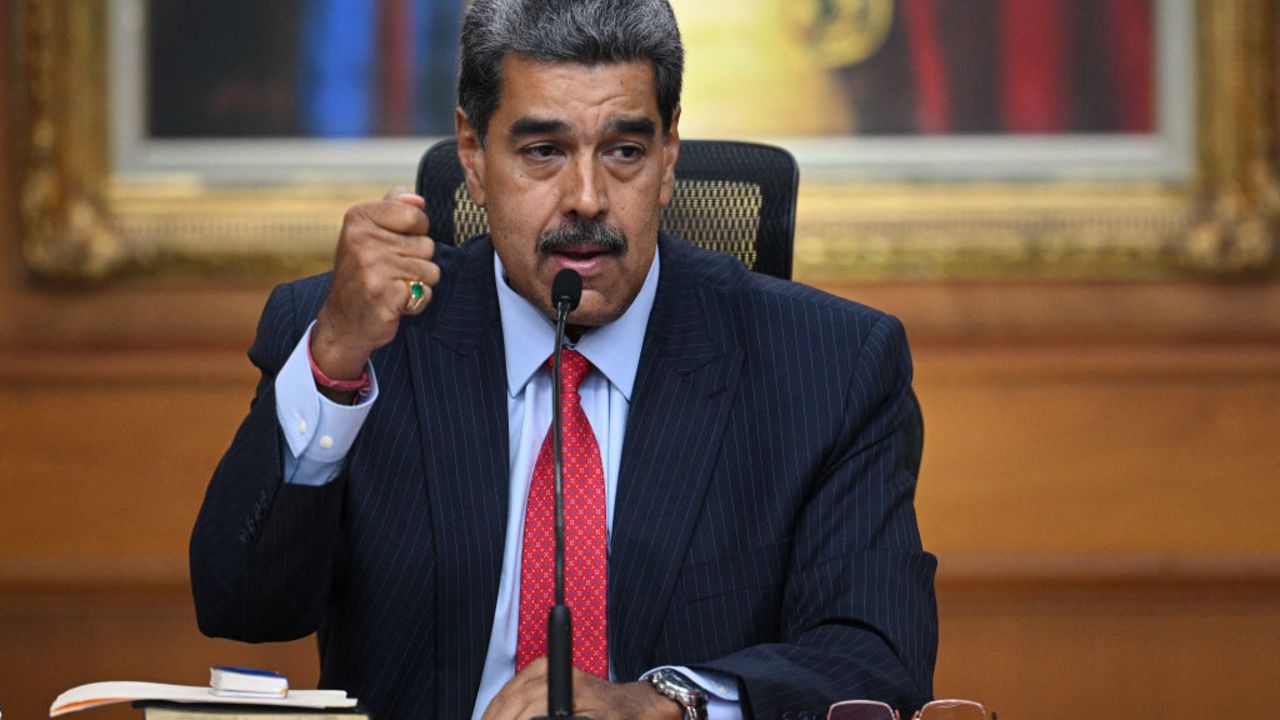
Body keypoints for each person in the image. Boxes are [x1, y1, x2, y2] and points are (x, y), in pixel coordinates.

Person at [190, 1, 938, 719]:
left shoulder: (828, 368)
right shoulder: (366, 340)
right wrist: (334, 361)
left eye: (624, 151)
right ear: (474, 156)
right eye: (543, 151)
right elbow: (242, 604)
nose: (586, 198)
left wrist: (666, 701)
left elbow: (877, 660)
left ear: (670, 155)